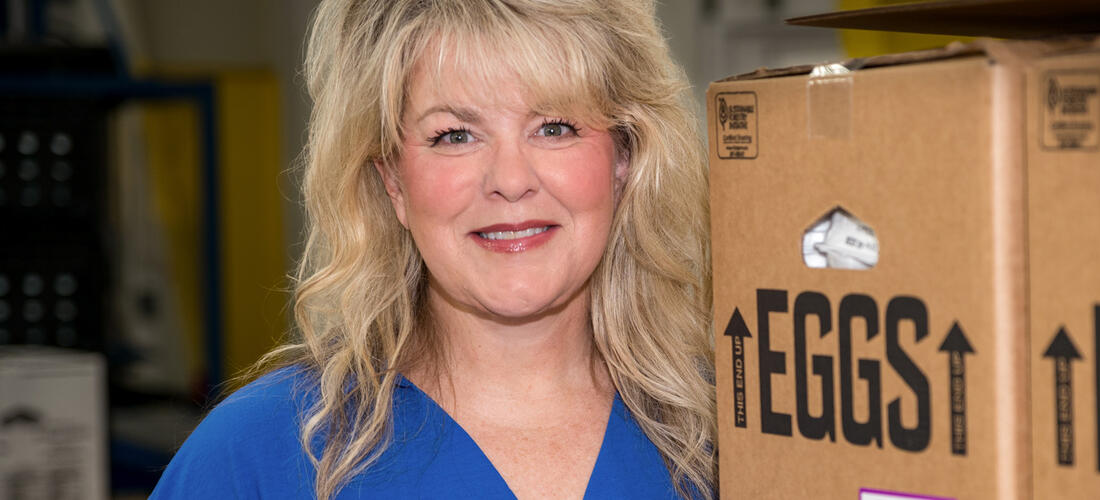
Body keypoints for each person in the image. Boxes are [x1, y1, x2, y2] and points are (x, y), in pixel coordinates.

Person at [150, 0, 714, 498]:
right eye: (455, 136)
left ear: (624, 160)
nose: (511, 179)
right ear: (392, 180)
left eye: (554, 127)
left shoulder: (731, 431)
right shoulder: (256, 456)